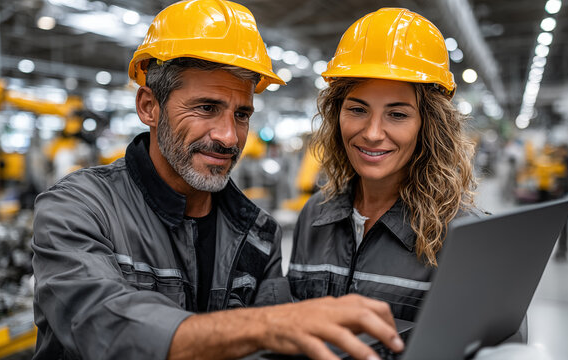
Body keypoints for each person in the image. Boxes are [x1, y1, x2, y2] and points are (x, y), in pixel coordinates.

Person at [31, 1, 404, 359]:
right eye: (206, 108)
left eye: (242, 114)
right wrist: (267, 324)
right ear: (149, 106)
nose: (228, 136)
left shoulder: (258, 235)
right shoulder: (77, 209)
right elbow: (103, 325)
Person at [288, 8, 480, 322]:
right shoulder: (314, 216)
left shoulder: (463, 235)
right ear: (337, 116)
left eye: (398, 114)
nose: (373, 133)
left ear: (428, 126)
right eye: (358, 109)